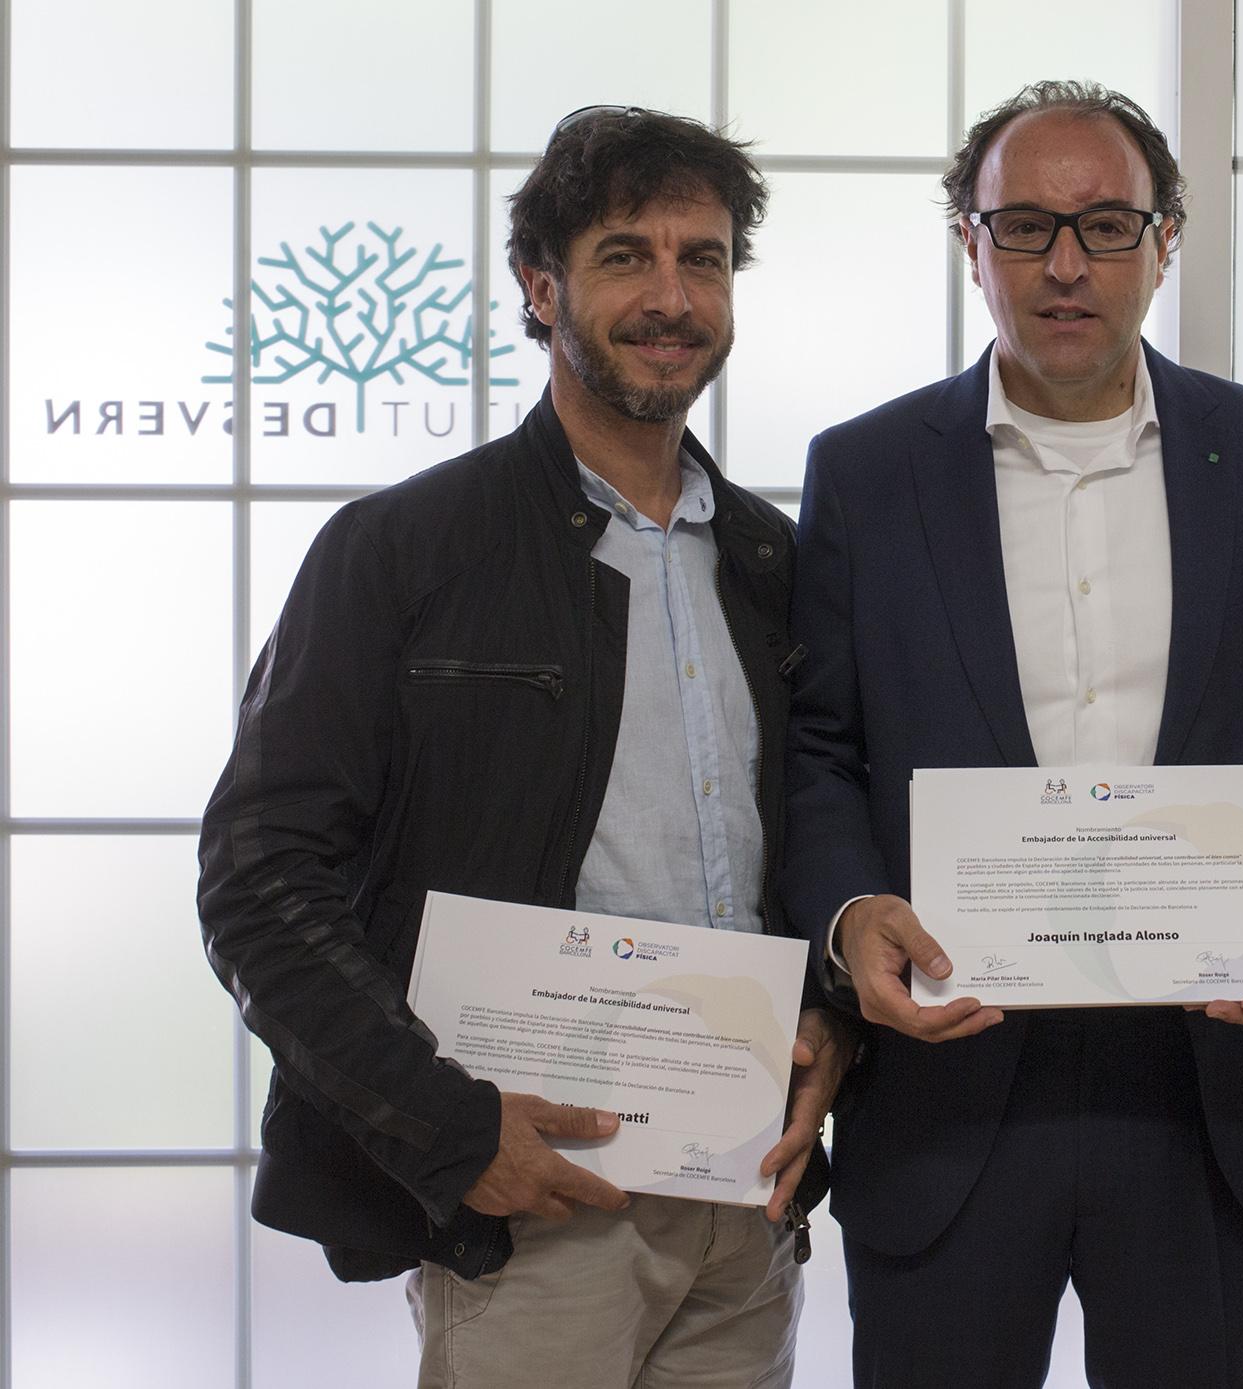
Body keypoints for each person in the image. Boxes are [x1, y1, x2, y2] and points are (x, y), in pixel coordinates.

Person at [198, 106, 848, 1389]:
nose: (671, 297)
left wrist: (833, 1016)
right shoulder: (401, 552)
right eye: (625, 256)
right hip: (536, 1204)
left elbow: (824, 828)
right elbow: (259, 881)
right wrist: (449, 1132)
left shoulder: (780, 563)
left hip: (745, 1204)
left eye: (702, 259)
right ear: (540, 289)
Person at [781, 81, 1243, 1388]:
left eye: (1107, 226)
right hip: (947, 1081)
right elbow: (818, 745)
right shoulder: (867, 472)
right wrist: (847, 911)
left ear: (1167, 243)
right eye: (1024, 227)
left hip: (1201, 1085)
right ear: (968, 245)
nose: (1064, 264)